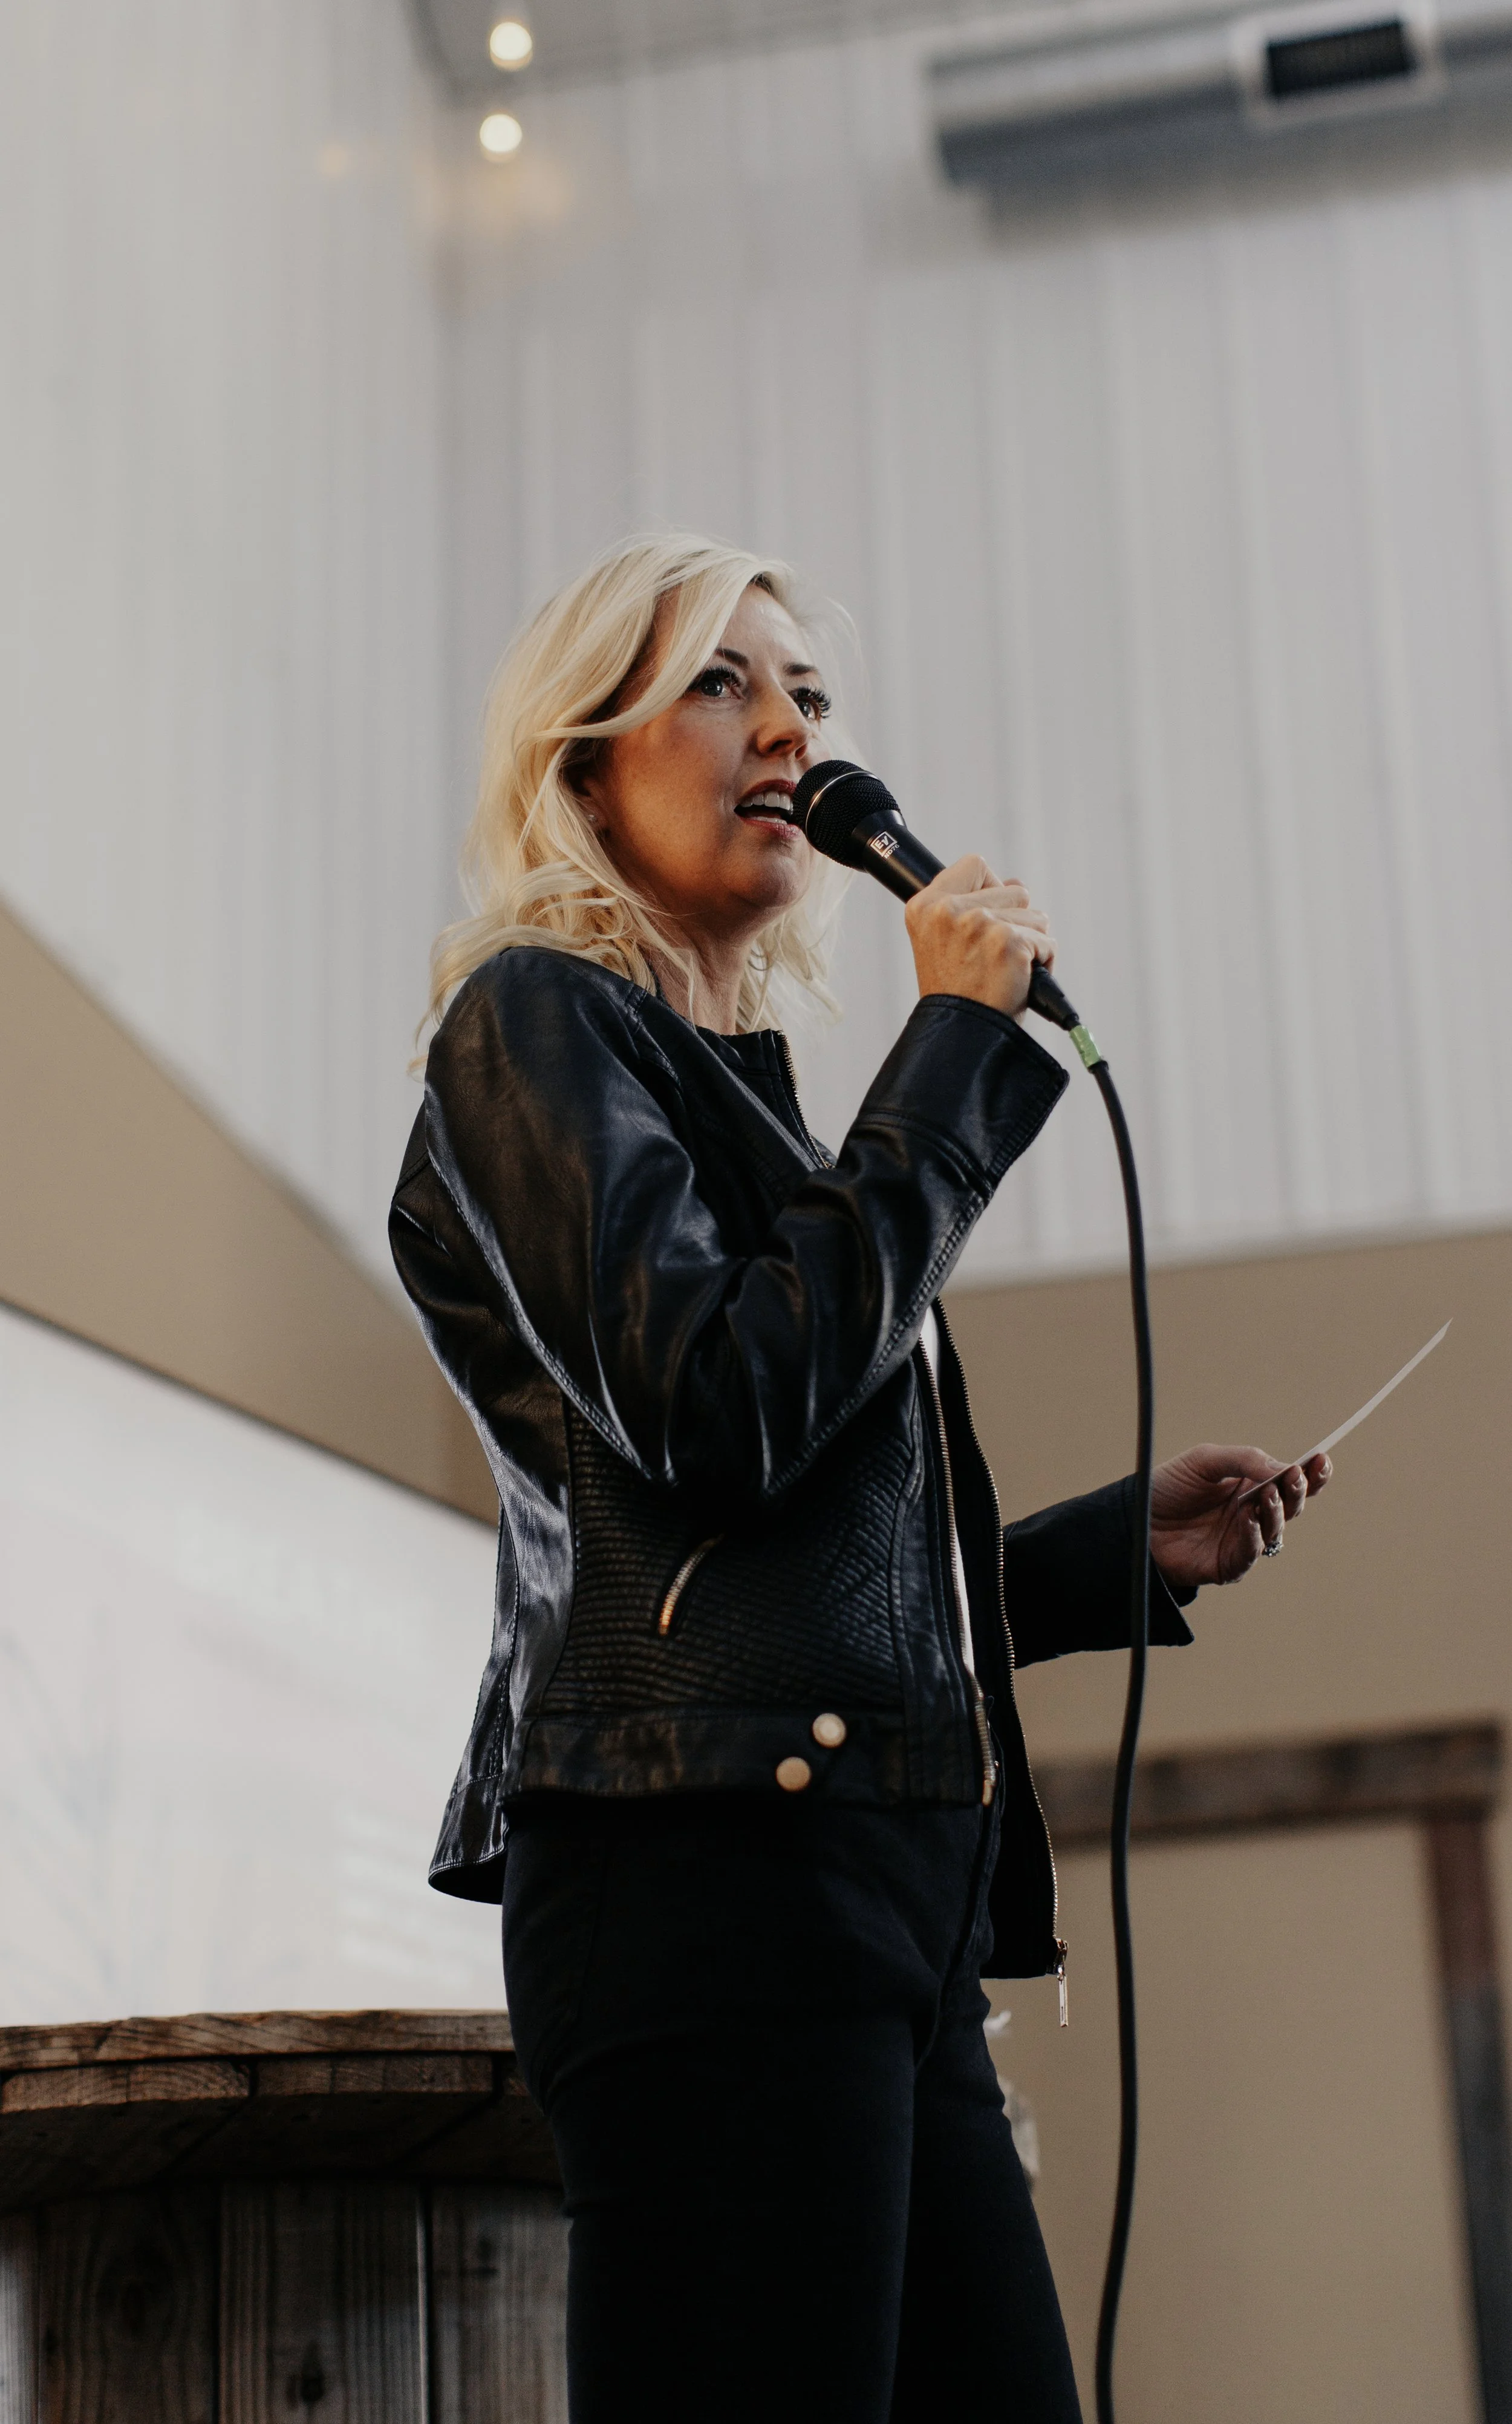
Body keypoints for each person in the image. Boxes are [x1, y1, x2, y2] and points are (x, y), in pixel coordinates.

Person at [391, 532, 1329, 2424]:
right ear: (583, 761)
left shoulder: (760, 1105)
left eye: (806, 693)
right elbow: (715, 1407)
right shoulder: (532, 1025)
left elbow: (781, 1552)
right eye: (717, 680)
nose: (787, 732)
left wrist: (1095, 1554)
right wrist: (956, 1050)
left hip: (878, 1900)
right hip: (706, 1891)